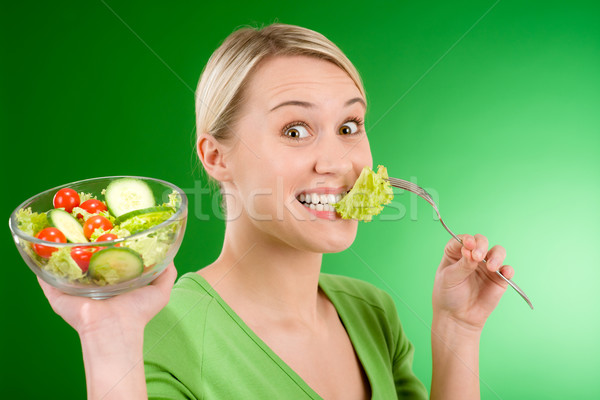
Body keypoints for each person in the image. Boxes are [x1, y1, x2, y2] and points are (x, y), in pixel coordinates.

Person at [38, 23, 515, 399]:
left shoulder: (372, 313)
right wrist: (111, 342)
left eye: (349, 126)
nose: (336, 162)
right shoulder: (157, 329)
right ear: (216, 157)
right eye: (295, 130)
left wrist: (458, 329)